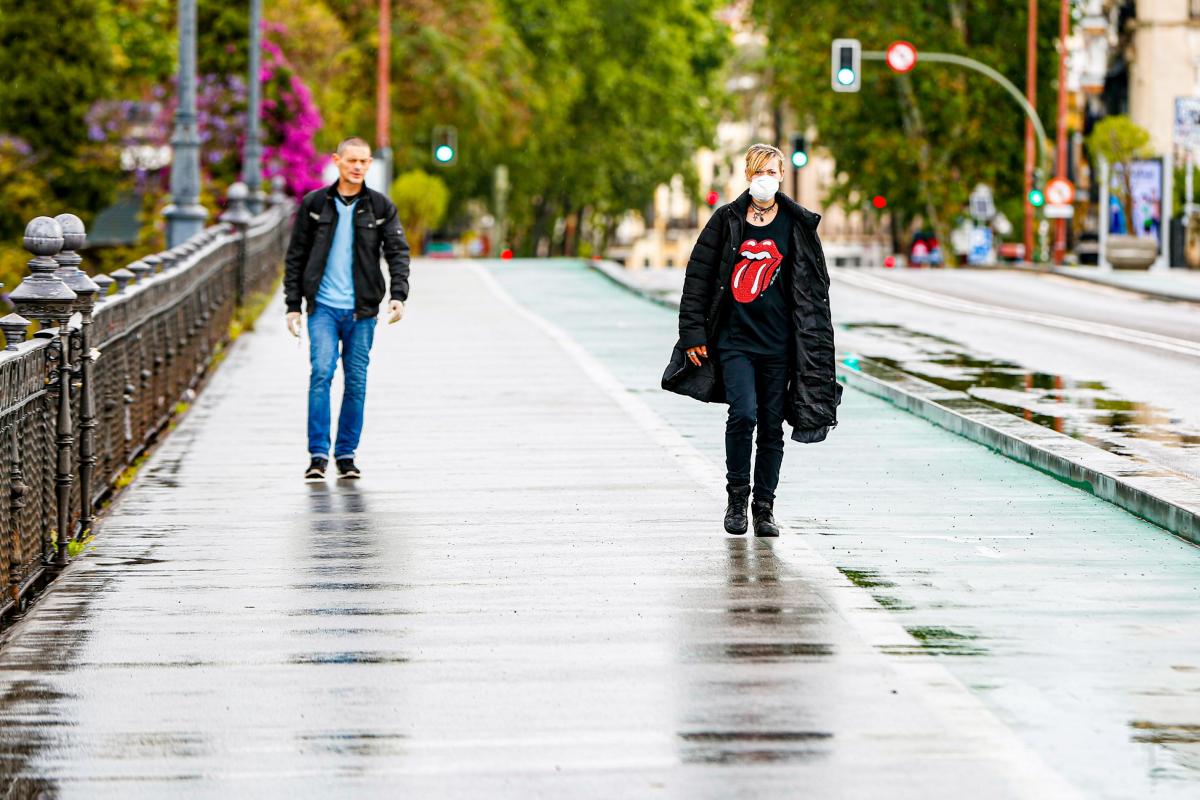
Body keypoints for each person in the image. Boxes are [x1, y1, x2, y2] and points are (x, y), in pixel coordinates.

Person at [667, 143, 841, 536]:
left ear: (782, 175)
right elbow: (698, 278)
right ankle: (736, 501)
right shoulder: (726, 219)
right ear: (748, 175)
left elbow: (814, 288)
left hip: (779, 346)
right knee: (743, 414)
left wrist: (813, 346)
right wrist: (692, 334)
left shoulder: (796, 224)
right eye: (759, 171)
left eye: (772, 171)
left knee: (771, 426)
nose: (765, 178)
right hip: (735, 342)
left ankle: (764, 508)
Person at [283, 136, 411, 481]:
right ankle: (318, 455)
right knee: (321, 374)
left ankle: (346, 455)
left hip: (362, 311)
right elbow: (295, 256)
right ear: (337, 161)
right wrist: (293, 305)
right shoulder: (314, 205)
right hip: (323, 308)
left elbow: (398, 252)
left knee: (356, 382)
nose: (357, 167)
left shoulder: (380, 207)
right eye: (351, 160)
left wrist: (398, 295)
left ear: (369, 164)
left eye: (363, 161)